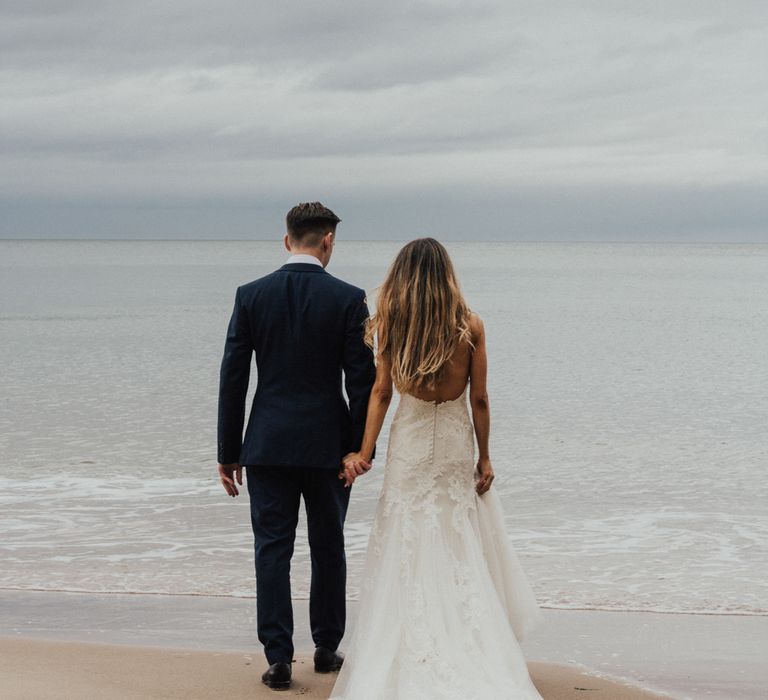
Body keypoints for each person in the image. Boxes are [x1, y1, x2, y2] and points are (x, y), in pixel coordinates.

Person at [330, 238, 543, 699]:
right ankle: (469, 641)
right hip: (452, 443)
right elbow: (480, 398)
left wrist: (363, 453)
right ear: (447, 275)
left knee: (406, 530)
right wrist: (485, 456)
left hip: (409, 442)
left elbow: (382, 393)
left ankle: (407, 639)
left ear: (402, 277)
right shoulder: (470, 325)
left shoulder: (392, 324)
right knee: (454, 533)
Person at [216, 202, 376, 690]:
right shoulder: (349, 298)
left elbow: (233, 378)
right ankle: (327, 647)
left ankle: (278, 657)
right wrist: (358, 450)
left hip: (266, 446)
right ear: (327, 241)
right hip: (329, 450)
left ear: (287, 240)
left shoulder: (251, 295)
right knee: (329, 547)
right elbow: (362, 383)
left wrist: (229, 451)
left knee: (272, 549)